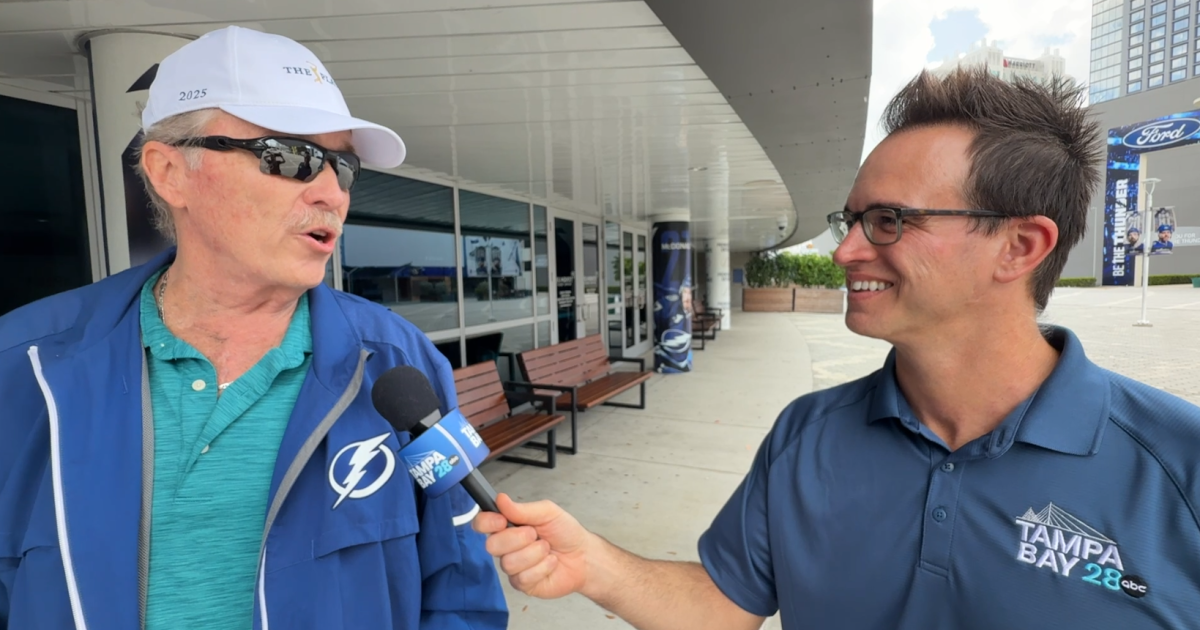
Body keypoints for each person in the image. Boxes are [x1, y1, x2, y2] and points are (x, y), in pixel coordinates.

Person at [474, 68, 1200, 628]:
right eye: (850, 219)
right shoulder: (807, 435)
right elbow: (730, 604)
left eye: (888, 221)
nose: (846, 251)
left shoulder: (1178, 466)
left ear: (1019, 245)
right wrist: (593, 564)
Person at [0, 26, 507, 630]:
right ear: (169, 172)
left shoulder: (402, 361)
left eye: (343, 167)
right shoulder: (24, 362)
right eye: (289, 157)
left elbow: (462, 591)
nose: (330, 192)